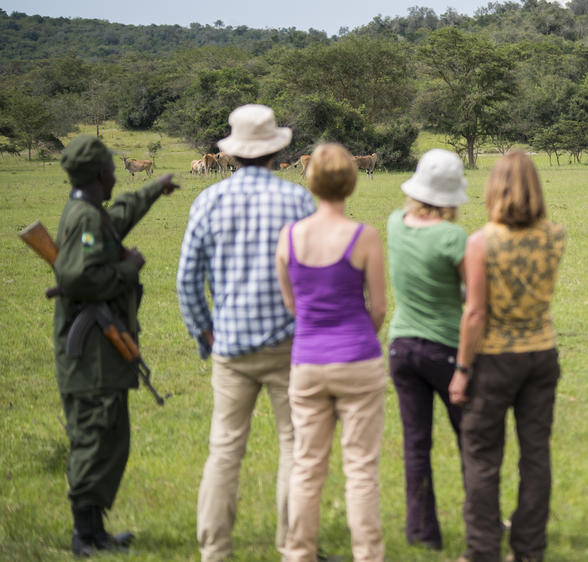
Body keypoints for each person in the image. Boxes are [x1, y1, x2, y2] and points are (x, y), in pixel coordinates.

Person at [176, 104, 316, 561]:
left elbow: (186, 281)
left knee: (224, 451)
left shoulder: (208, 201)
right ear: (277, 152)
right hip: (289, 345)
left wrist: (205, 333)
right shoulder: (298, 200)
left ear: (231, 155)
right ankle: (295, 549)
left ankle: (215, 551)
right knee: (295, 448)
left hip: (230, 346)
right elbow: (315, 275)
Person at [52, 134, 180, 556]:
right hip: (90, 354)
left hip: (100, 353)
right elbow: (76, 278)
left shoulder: (91, 213)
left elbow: (118, 218)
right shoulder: (85, 219)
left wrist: (153, 189)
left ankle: (96, 532)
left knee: (109, 436)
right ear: (97, 174)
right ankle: (84, 536)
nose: (114, 174)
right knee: (94, 436)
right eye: (109, 168)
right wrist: (129, 270)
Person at [449, 151, 567, 562]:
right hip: (541, 354)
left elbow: (476, 312)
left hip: (495, 358)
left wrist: (462, 369)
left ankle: (482, 550)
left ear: (493, 189)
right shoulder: (555, 234)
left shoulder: (480, 242)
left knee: (482, 456)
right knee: (536, 454)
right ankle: (529, 549)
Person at [275, 143, 387, 562]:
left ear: (311, 181)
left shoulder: (289, 236)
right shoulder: (365, 237)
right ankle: (368, 555)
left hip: (308, 362)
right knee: (360, 470)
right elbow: (378, 308)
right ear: (351, 182)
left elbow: (292, 304)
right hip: (358, 359)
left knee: (307, 466)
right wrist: (358, 335)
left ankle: (298, 553)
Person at [386, 149, 469, 550]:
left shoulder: (394, 224)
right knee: (471, 439)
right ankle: (481, 520)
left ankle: (422, 533)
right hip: (446, 350)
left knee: (416, 442)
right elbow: (473, 298)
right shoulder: (453, 237)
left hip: (401, 347)